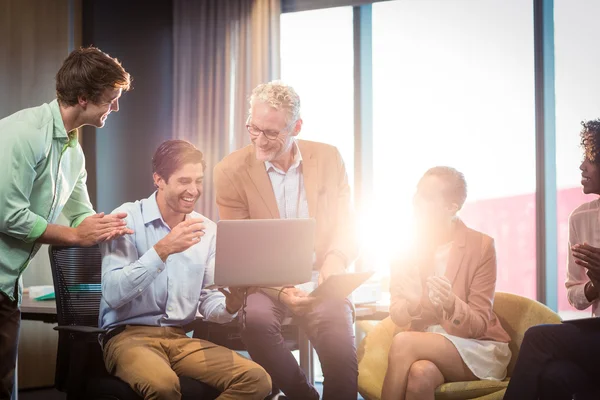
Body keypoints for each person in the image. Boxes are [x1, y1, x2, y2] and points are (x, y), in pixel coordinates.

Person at [0, 46, 133, 399]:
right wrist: (75, 236)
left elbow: (80, 213)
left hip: (6, 285)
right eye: (111, 98)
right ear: (83, 97)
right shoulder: (23, 133)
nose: (115, 107)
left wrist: (112, 226)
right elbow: (8, 214)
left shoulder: (73, 150)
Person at [213, 81, 359, 399]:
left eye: (271, 133)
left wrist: (334, 262)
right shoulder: (230, 171)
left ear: (297, 127)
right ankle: (304, 395)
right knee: (256, 323)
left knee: (340, 345)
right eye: (254, 128)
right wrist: (281, 290)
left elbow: (347, 226)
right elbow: (242, 251)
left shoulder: (329, 158)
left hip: (319, 276)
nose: (259, 140)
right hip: (264, 283)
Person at [99, 139, 272, 400]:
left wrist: (231, 304)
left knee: (257, 380)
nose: (193, 190)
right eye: (184, 181)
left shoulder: (207, 230)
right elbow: (113, 293)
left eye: (198, 181)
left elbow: (208, 300)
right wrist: (163, 250)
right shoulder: (126, 218)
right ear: (159, 179)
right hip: (127, 338)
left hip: (180, 338)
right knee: (164, 387)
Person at [382, 166, 511, 400]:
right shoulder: (405, 246)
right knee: (420, 375)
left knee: (403, 342)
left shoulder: (481, 246)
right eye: (417, 193)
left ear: (452, 207)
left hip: (476, 346)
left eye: (427, 197)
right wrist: (412, 305)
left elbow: (480, 323)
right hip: (426, 343)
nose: (416, 202)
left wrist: (451, 303)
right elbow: (397, 314)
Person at [504, 119, 600, 400]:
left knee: (538, 337)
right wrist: (595, 286)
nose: (582, 166)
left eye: (591, 159)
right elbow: (574, 294)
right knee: (553, 375)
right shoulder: (580, 218)